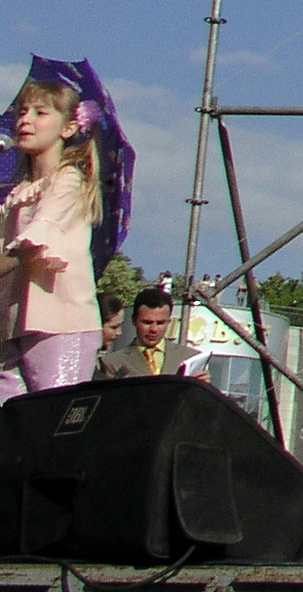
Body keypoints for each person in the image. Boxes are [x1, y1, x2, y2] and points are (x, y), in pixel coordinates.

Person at [0, 68, 107, 398]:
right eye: (22, 111)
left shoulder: (68, 181)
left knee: (53, 415)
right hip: (14, 324)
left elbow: (27, 247)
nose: (25, 120)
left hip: (60, 326)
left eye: (40, 113)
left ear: (68, 128)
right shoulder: (18, 192)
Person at [98, 287, 193, 380]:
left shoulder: (189, 358)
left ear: (169, 321)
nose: (154, 329)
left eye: (160, 323)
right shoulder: (112, 363)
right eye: (147, 322)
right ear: (134, 320)